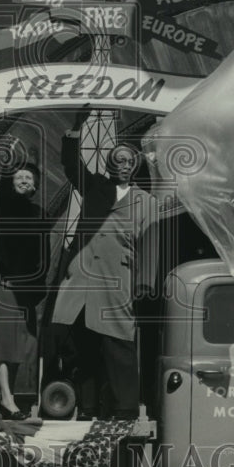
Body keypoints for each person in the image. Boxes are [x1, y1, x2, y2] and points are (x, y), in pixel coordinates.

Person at [51, 111, 159, 420]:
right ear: (110, 165)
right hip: (83, 283)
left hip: (118, 283)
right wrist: (76, 127)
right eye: (118, 160)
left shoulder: (146, 202)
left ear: (135, 166)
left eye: (128, 161)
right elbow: (72, 166)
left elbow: (151, 247)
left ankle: (124, 409)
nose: (123, 165)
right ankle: (87, 408)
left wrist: (143, 288)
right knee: (83, 348)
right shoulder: (95, 186)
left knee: (118, 347)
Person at [0, 146, 47, 420]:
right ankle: (8, 399)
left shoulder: (39, 213)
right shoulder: (2, 207)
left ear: (35, 186)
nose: (24, 181)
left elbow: (43, 255)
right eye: (19, 177)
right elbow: (3, 192)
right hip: (5, 288)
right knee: (4, 346)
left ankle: (4, 401)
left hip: (27, 293)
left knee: (21, 348)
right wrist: (9, 161)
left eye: (29, 178)